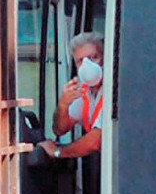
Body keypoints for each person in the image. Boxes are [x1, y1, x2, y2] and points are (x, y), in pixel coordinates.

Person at [38, 32, 106, 160]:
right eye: (80, 61)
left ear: (104, 58)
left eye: (93, 57)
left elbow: (95, 141)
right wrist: (63, 105)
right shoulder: (84, 91)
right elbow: (60, 129)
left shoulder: (114, 90)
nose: (87, 64)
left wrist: (58, 152)